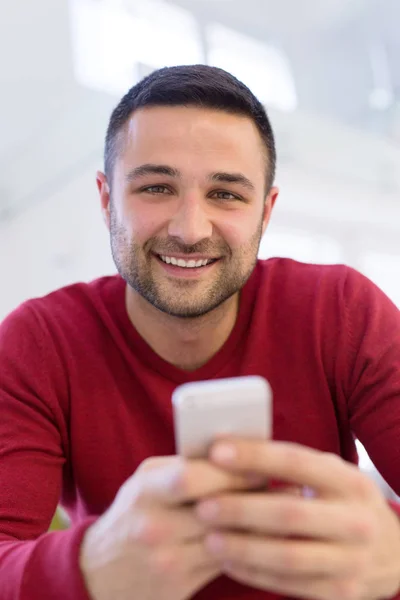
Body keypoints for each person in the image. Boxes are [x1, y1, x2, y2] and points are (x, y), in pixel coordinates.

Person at [0, 64, 400, 600]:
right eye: (156, 187)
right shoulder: (38, 343)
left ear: (266, 211)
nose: (190, 229)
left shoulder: (344, 312)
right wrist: (89, 567)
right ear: (105, 199)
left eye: (226, 195)